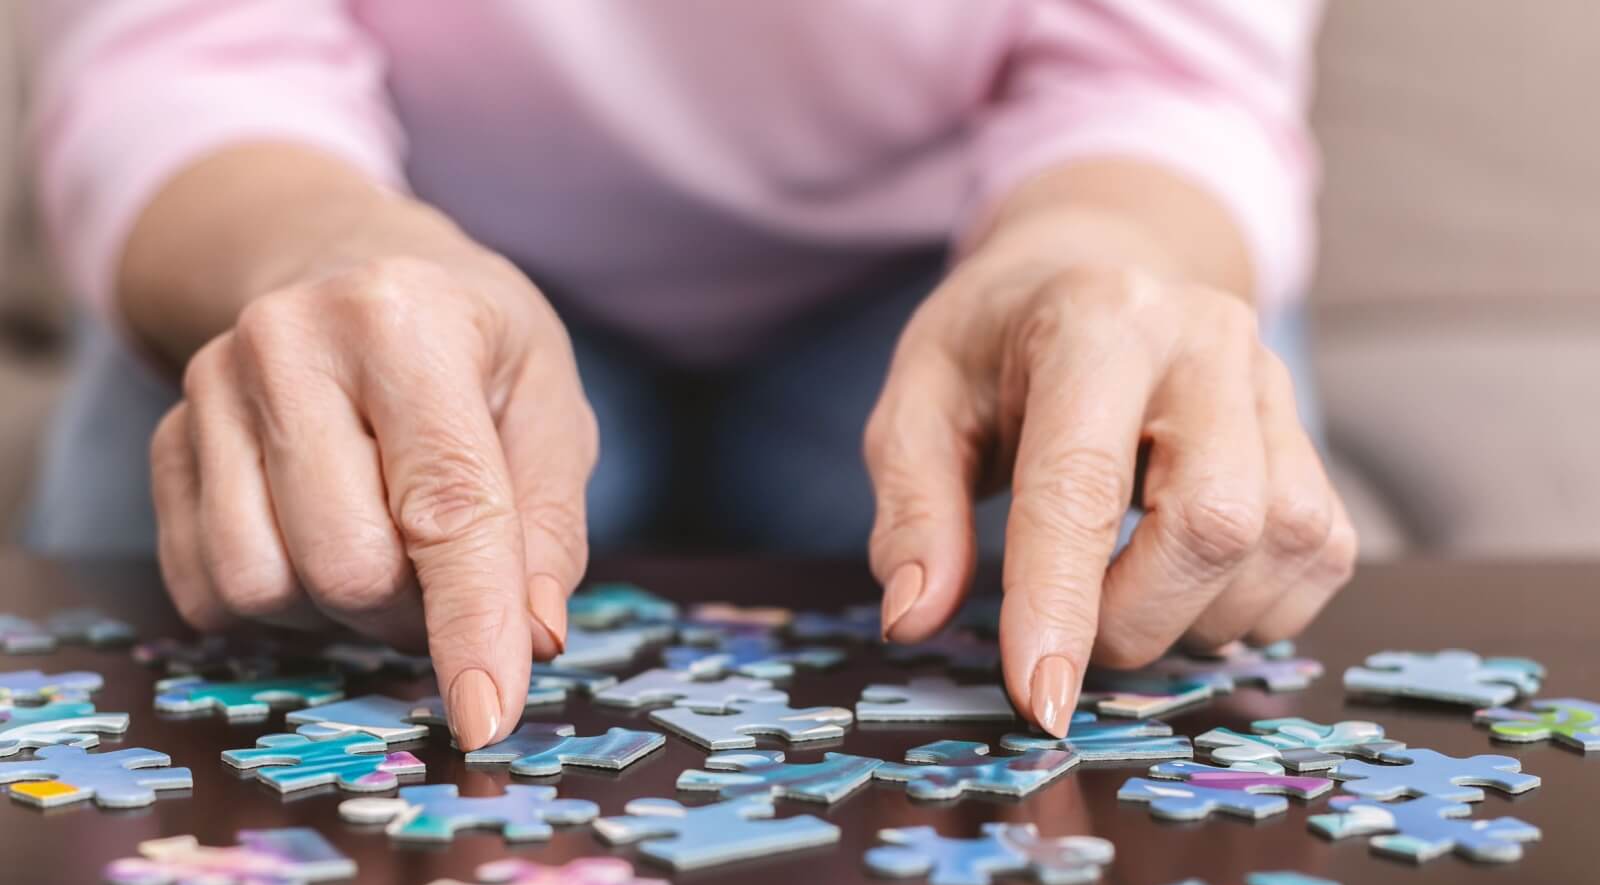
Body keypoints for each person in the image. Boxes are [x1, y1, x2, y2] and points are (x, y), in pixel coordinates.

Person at [22, 2, 1353, 750]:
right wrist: (319, 252)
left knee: (1152, 579)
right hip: (367, 230)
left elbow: (1161, 75)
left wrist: (1099, 252)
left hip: (964, 267)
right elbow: (182, 50)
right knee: (213, 602)